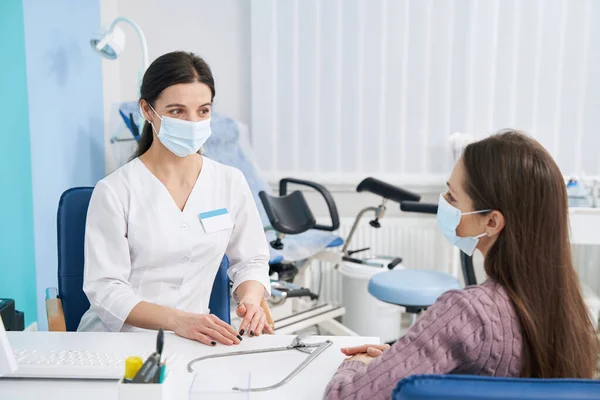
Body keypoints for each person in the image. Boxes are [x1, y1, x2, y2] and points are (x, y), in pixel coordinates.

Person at [325, 131, 598, 399]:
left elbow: (343, 397)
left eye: (452, 198)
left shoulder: (465, 313)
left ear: (491, 222)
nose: (443, 203)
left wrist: (357, 363)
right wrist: (400, 363)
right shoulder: (572, 312)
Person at [78, 51, 274, 345]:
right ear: (147, 110)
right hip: (118, 341)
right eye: (177, 111)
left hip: (194, 340)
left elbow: (252, 260)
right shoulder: (116, 190)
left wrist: (252, 298)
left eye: (203, 111)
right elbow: (106, 289)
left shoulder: (229, 182)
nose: (193, 122)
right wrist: (179, 320)